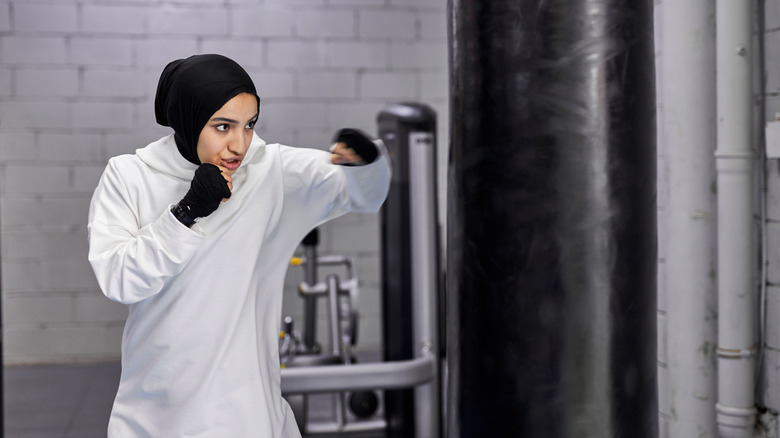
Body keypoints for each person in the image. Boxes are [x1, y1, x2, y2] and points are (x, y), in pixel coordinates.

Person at [87, 54, 391, 437]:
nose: (239, 145)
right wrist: (185, 213)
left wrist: (365, 165)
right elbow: (120, 280)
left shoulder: (271, 172)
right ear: (189, 118)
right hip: (157, 408)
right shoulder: (129, 175)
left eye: (249, 126)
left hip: (246, 411)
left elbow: (359, 193)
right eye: (223, 126)